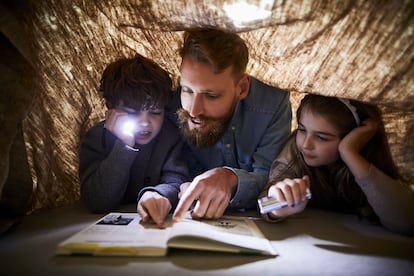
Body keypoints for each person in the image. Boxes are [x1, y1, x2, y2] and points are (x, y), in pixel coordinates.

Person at [167, 27, 292, 221]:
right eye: (187, 90)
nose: (193, 110)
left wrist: (229, 178)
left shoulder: (273, 105)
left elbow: (271, 180)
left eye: (211, 95)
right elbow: (168, 170)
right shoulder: (170, 104)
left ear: (242, 88)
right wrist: (180, 185)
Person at [260, 94, 414, 235]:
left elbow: (406, 221)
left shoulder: (367, 158)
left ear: (355, 138)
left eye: (322, 137)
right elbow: (265, 204)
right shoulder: (295, 152)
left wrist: (349, 153)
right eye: (302, 129)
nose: (306, 144)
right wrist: (276, 206)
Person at [78, 54, 190, 227]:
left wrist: (157, 194)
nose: (145, 123)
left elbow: (177, 181)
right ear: (110, 107)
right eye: (132, 113)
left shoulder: (170, 136)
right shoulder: (96, 138)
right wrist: (124, 146)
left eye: (155, 112)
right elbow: (97, 202)